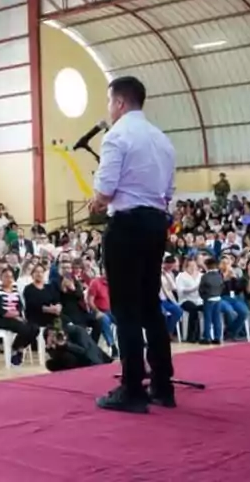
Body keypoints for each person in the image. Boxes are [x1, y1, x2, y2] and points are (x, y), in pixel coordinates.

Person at [91, 75, 176, 414]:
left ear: (120, 103)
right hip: (156, 223)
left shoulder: (117, 136)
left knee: (125, 308)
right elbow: (168, 191)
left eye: (110, 102)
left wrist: (97, 201)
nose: (109, 109)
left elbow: (106, 189)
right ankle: (162, 384)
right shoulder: (162, 139)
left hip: (126, 224)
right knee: (149, 305)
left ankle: (131, 387)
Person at [0, 267, 40, 367]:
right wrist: (15, 315)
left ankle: (17, 348)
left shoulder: (15, 289)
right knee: (23, 328)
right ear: (1, 278)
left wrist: (17, 314)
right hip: (1, 319)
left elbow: (20, 306)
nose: (9, 279)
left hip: (16, 317)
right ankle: (16, 351)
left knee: (35, 328)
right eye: (6, 277)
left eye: (11, 277)